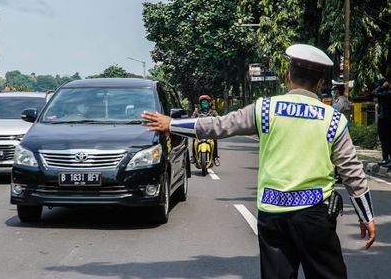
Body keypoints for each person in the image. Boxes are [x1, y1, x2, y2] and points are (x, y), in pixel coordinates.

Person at [142, 44, 376, 279]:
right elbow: (352, 172)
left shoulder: (265, 109)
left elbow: (219, 125)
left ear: (287, 77)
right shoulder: (333, 120)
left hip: (272, 214)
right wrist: (366, 216)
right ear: (321, 83)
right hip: (314, 215)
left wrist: (171, 124)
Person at [191, 95, 220, 166]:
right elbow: (192, 119)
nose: (204, 103)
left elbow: (218, 119)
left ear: (209, 103)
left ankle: (215, 157)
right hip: (199, 132)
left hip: (210, 132)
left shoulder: (213, 112)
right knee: (194, 140)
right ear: (200, 104)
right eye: (203, 102)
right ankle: (194, 157)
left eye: (206, 102)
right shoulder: (197, 112)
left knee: (215, 139)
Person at [372, 78, 391, 167]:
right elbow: (374, 93)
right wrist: (382, 87)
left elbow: (375, 93)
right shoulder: (383, 92)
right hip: (382, 119)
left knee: (387, 139)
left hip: (387, 119)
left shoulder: (388, 92)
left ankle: (388, 159)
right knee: (383, 139)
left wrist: (382, 87)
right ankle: (385, 159)